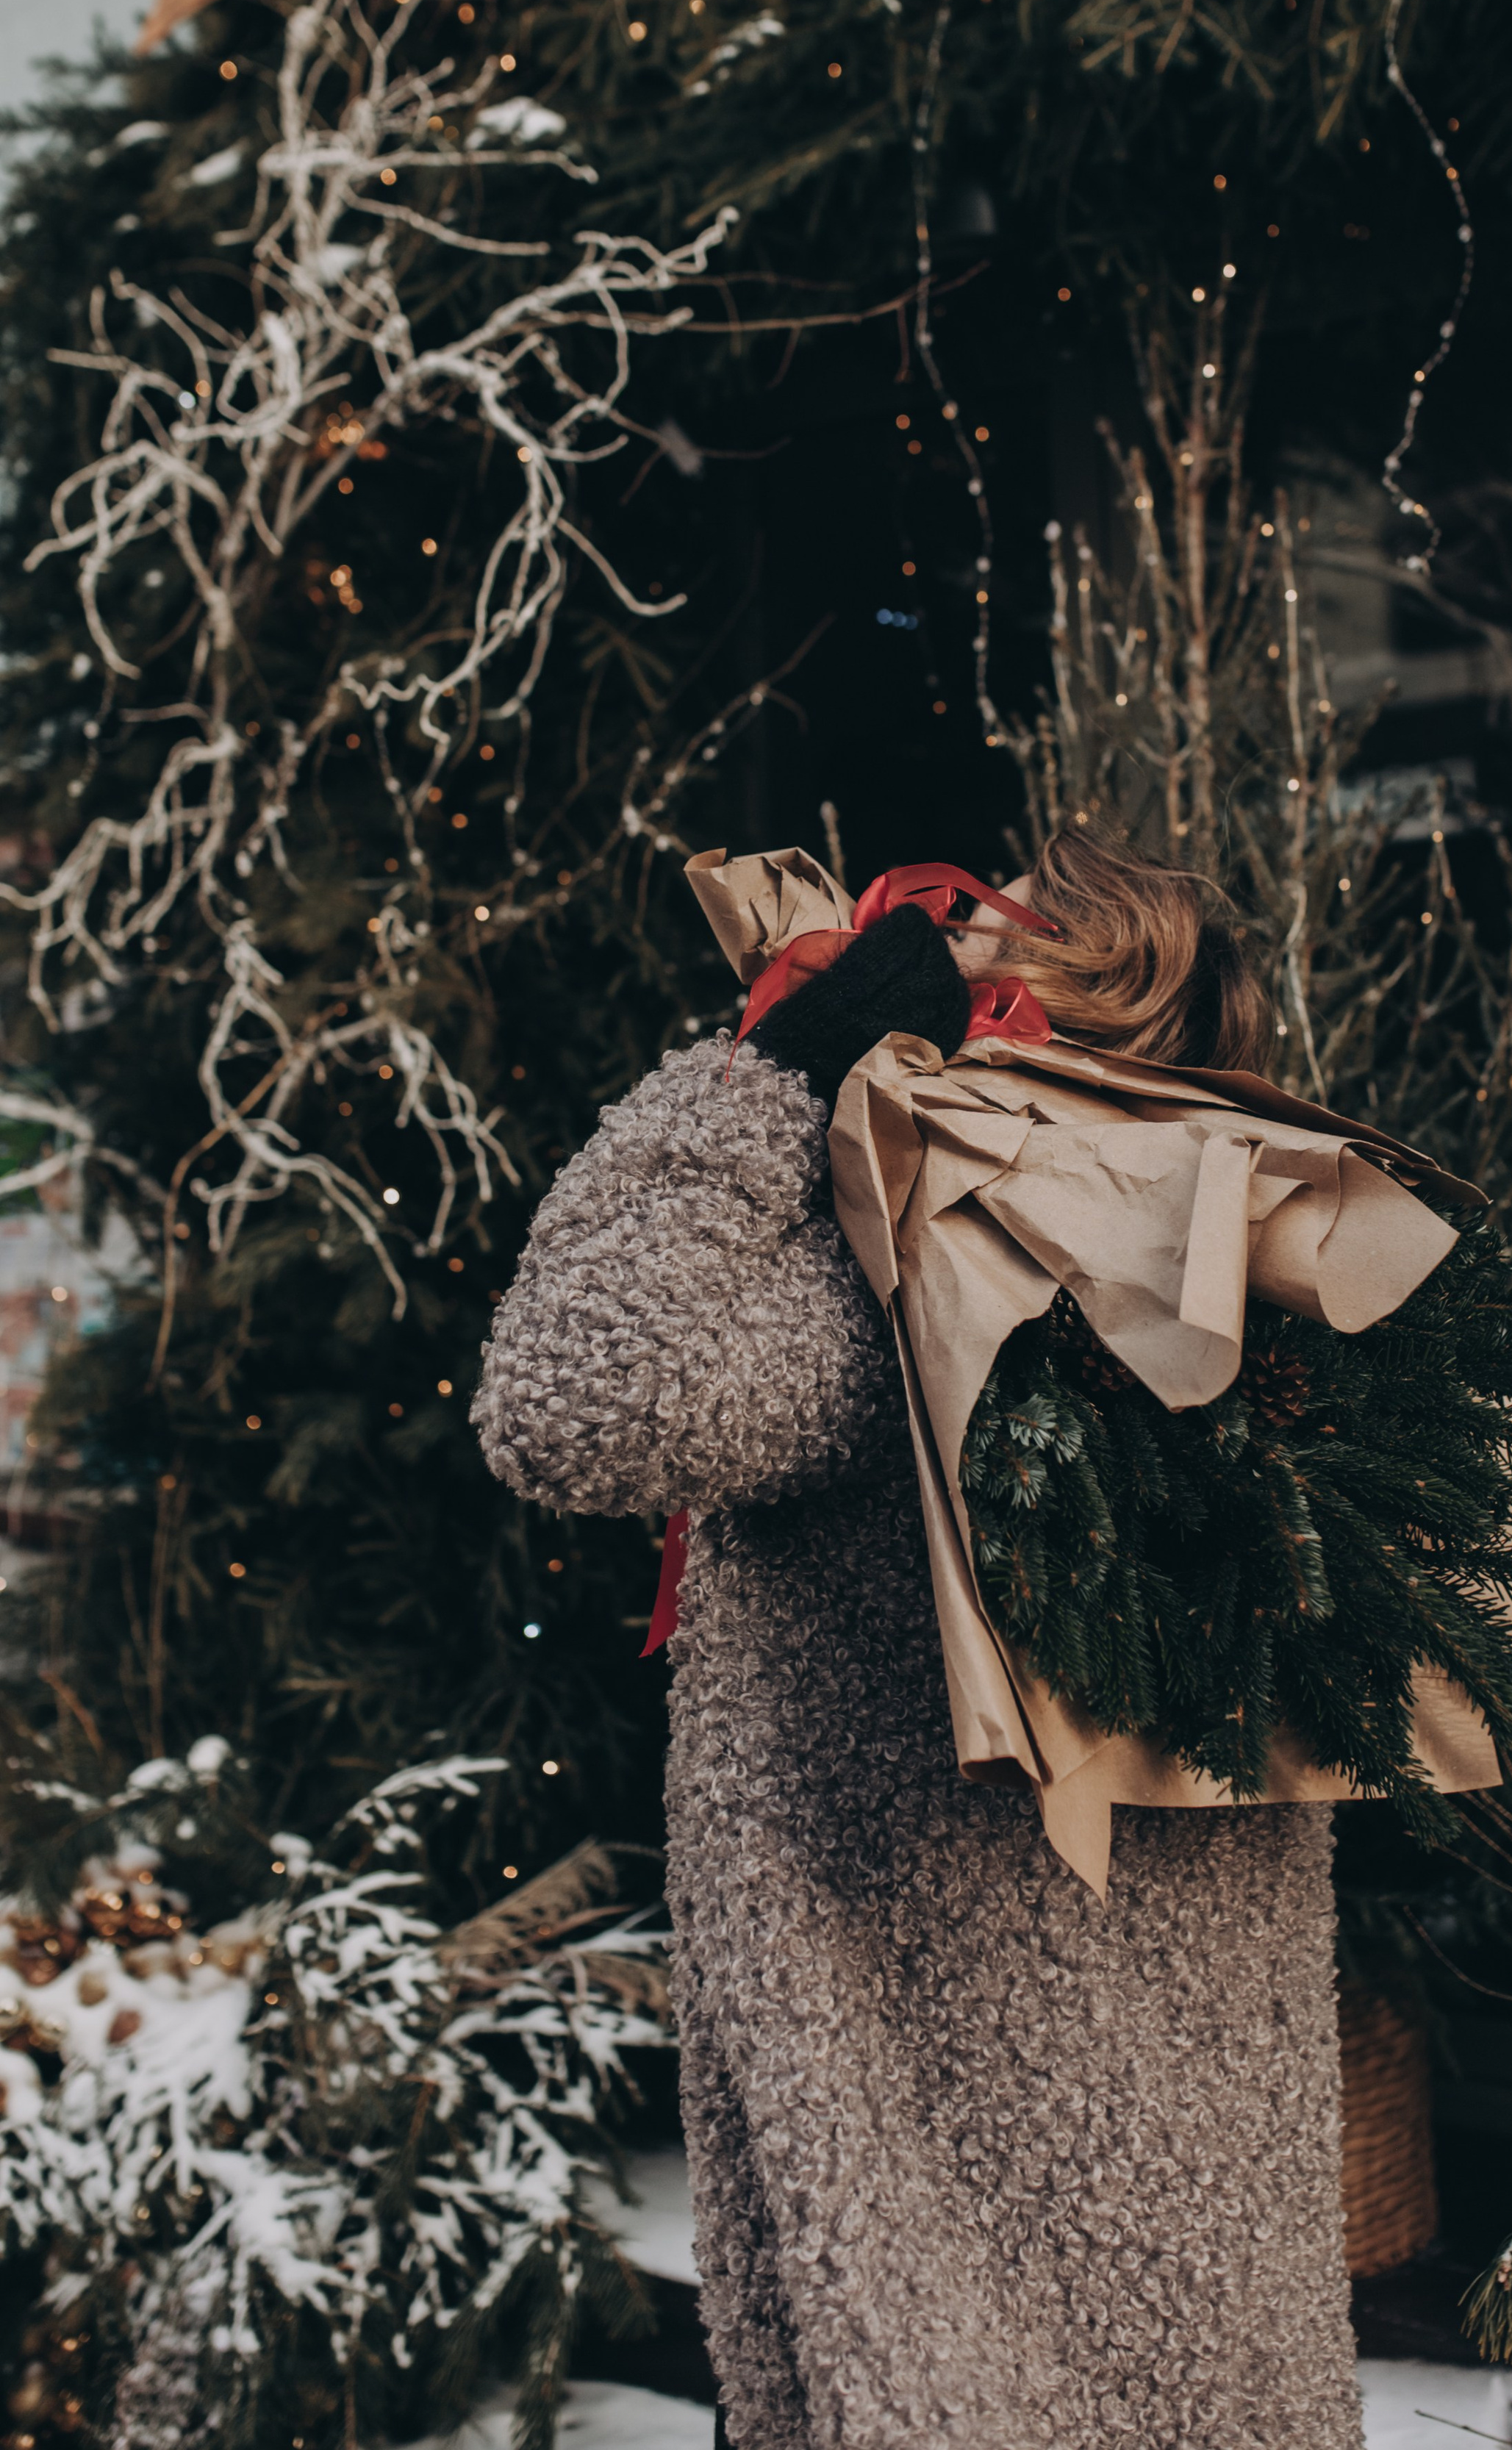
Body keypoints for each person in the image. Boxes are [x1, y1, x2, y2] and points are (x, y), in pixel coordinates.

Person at [473, 831, 1365, 2450]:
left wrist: (765, 1072)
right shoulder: (1248, 1306)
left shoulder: (915, 1293)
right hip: (1191, 2255)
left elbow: (572, 1393)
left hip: (946, 2272)